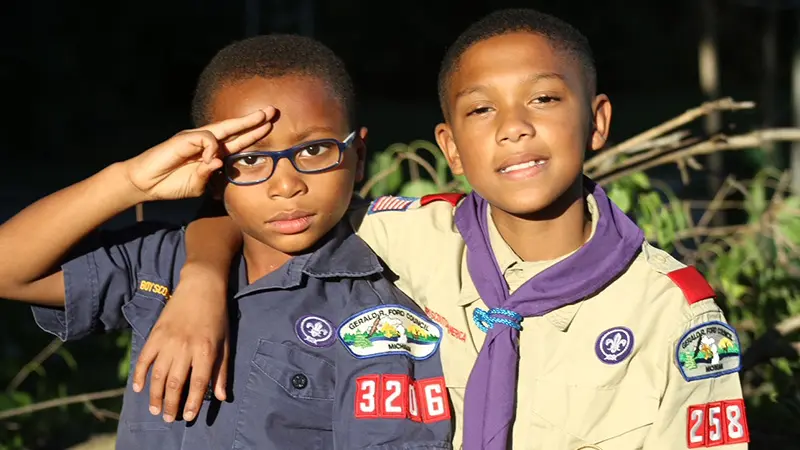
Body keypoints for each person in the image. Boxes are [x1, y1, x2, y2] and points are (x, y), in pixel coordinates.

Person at [138, 9, 749, 450]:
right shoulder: (408, 239)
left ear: (597, 122)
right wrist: (198, 282)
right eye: (482, 109)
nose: (513, 128)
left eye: (544, 99)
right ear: (451, 148)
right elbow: (264, 222)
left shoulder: (675, 315)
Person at [0, 35, 453, 450]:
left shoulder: (377, 318)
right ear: (215, 176)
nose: (286, 185)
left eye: (314, 150)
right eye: (251, 159)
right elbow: (10, 269)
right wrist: (130, 182)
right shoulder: (163, 265)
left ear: (357, 158)